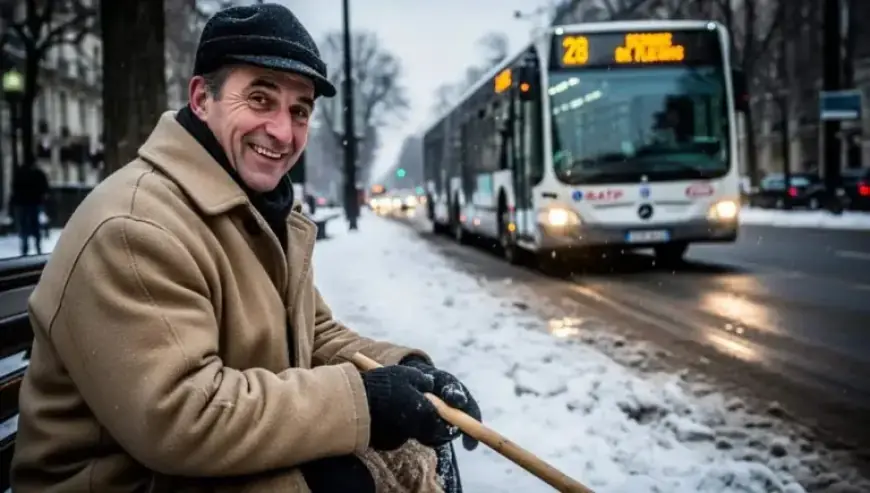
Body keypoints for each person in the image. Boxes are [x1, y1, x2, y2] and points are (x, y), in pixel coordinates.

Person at [11, 4, 481, 492]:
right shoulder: (135, 227)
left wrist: (406, 371)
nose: (282, 130)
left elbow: (312, 335)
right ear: (201, 99)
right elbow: (181, 416)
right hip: (132, 479)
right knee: (345, 479)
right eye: (260, 99)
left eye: (299, 110)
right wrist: (362, 402)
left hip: (196, 465)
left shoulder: (255, 210)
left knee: (416, 447)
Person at [9, 161, 49, 256]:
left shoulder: (20, 173)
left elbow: (15, 187)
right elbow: (44, 187)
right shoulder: (38, 173)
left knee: (24, 228)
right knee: (36, 227)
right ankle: (38, 248)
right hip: (34, 202)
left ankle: (24, 250)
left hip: (23, 203)